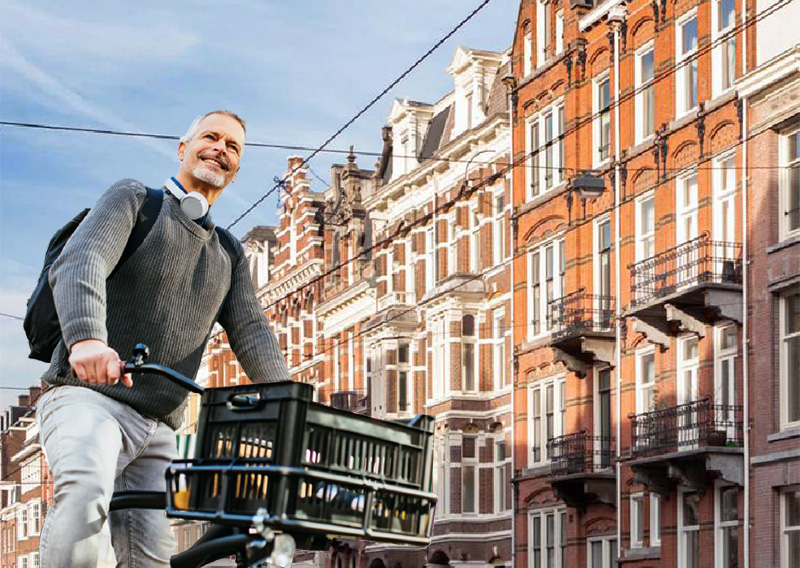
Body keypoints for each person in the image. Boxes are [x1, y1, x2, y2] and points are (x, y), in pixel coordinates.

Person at [36, 110, 290, 567]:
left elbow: (252, 331)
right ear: (182, 149)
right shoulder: (135, 200)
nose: (221, 149)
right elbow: (81, 261)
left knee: (152, 555)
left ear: (236, 171)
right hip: (89, 396)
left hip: (158, 428)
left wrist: (291, 398)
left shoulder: (229, 253)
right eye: (211, 137)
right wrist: (87, 340)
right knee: (86, 488)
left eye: (233, 147)